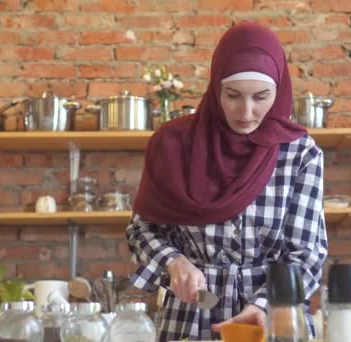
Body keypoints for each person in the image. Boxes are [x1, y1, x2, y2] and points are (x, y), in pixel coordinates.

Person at [126, 21, 328, 341]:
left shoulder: (301, 154)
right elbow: (142, 229)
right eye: (233, 95)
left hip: (275, 316)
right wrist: (173, 262)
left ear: (280, 91)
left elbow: (306, 253)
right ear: (215, 87)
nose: (246, 112)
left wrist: (263, 305)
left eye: (261, 97)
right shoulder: (173, 144)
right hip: (191, 315)